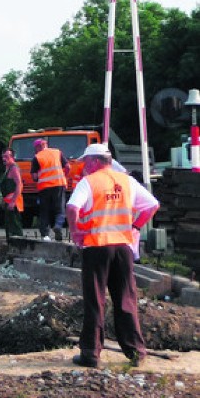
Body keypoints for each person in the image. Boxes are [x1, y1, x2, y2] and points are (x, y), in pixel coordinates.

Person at [66, 143, 159, 368]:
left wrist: (76, 231)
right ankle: (136, 352)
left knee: (95, 300)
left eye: (86, 162)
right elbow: (152, 205)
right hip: (123, 248)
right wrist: (136, 226)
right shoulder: (127, 181)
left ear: (95, 161)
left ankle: (91, 353)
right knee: (126, 298)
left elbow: (71, 208)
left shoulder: (88, 183)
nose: (84, 167)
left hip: (96, 247)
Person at [31, 138, 70, 241]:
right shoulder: (57, 152)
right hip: (59, 185)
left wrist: (39, 177)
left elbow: (34, 177)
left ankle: (45, 235)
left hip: (44, 188)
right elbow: (68, 166)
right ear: (46, 144)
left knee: (44, 211)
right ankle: (58, 225)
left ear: (38, 147)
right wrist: (63, 176)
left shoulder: (37, 157)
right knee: (60, 209)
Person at [0, 148, 24, 239]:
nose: (4, 159)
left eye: (6, 156)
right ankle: (11, 246)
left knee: (15, 226)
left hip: (14, 204)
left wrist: (13, 201)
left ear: (12, 157)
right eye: (3, 157)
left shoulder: (14, 168)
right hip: (8, 202)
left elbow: (19, 185)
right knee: (9, 227)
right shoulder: (8, 169)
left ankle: (20, 246)